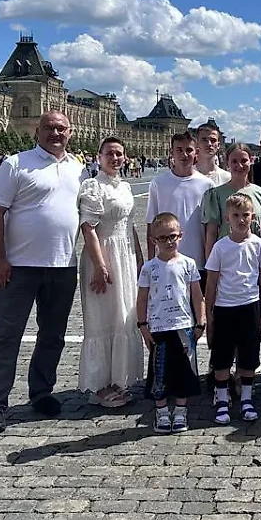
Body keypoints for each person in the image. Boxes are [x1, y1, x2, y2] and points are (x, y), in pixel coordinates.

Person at [0, 112, 89, 435]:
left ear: (70, 132)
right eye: (49, 128)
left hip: (63, 266)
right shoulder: (16, 164)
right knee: (5, 336)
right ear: (38, 131)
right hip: (20, 267)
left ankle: (41, 392)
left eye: (61, 128)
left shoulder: (79, 169)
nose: (55, 133)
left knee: (53, 335)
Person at [77, 137, 146, 409]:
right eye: (110, 154)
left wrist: (141, 261)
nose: (115, 158)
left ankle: (118, 379)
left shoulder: (126, 186)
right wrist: (100, 265)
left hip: (125, 255)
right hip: (103, 254)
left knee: (122, 317)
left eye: (119, 154)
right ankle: (100, 386)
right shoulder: (93, 186)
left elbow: (130, 226)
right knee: (102, 318)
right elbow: (88, 228)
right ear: (99, 156)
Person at [205, 193, 261, 425]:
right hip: (225, 307)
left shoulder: (259, 245)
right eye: (236, 215)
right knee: (222, 357)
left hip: (250, 306)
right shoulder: (220, 247)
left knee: (248, 356)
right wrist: (210, 313)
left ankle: (246, 398)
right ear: (227, 218)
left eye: (245, 215)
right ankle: (223, 399)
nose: (241, 219)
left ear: (252, 217)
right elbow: (212, 282)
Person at [138, 213, 205, 433]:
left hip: (183, 326)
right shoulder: (149, 268)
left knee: (183, 369)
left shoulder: (188, 264)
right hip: (158, 327)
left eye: (172, 236)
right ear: (154, 240)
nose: (168, 241)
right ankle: (161, 411)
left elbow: (196, 294)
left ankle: (180, 410)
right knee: (160, 370)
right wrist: (142, 325)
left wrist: (200, 321)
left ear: (180, 236)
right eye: (162, 237)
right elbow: (142, 298)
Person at [146, 131, 214, 266]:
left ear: (196, 153)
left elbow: (210, 228)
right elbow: (151, 224)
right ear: (172, 152)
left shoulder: (207, 185)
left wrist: (210, 261)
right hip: (165, 260)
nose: (184, 155)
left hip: (197, 260)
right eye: (179, 150)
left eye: (189, 150)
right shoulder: (158, 183)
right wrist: (151, 260)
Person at [203, 143, 261, 262]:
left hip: (255, 258)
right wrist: (210, 266)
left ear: (251, 161)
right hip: (227, 259)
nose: (239, 165)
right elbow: (211, 233)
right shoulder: (216, 195)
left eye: (244, 161)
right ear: (227, 163)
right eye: (234, 161)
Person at [194, 121, 232, 187]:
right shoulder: (186, 176)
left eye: (213, 140)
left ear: (218, 145)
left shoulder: (227, 178)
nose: (209, 144)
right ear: (196, 143)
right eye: (204, 139)